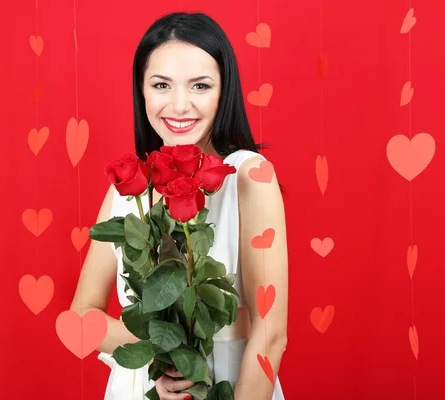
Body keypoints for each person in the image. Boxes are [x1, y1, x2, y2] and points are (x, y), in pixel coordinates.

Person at [70, 11, 288, 400]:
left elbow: (270, 333)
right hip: (137, 389)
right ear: (142, 90)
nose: (180, 104)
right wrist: (160, 351)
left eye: (200, 85)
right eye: (161, 85)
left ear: (225, 91)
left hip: (232, 386)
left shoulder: (250, 177)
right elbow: (81, 317)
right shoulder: (126, 189)